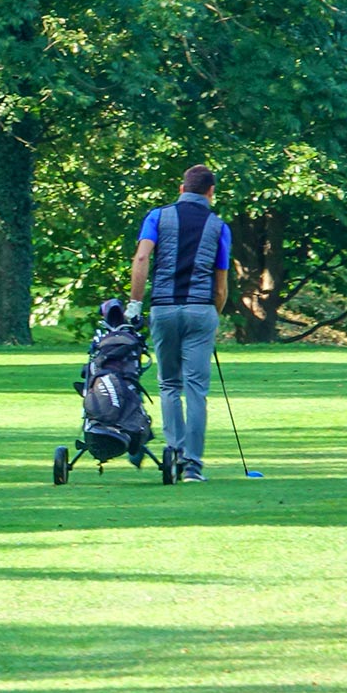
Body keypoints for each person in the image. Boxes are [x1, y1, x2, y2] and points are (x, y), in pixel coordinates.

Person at [126, 165, 231, 482]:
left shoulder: (158, 217)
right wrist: (213, 316)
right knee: (196, 389)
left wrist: (135, 303)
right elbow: (221, 285)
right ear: (211, 192)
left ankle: (173, 455)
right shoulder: (219, 226)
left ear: (181, 188)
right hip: (201, 309)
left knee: (169, 384)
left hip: (164, 309)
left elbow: (143, 258)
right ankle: (193, 466)